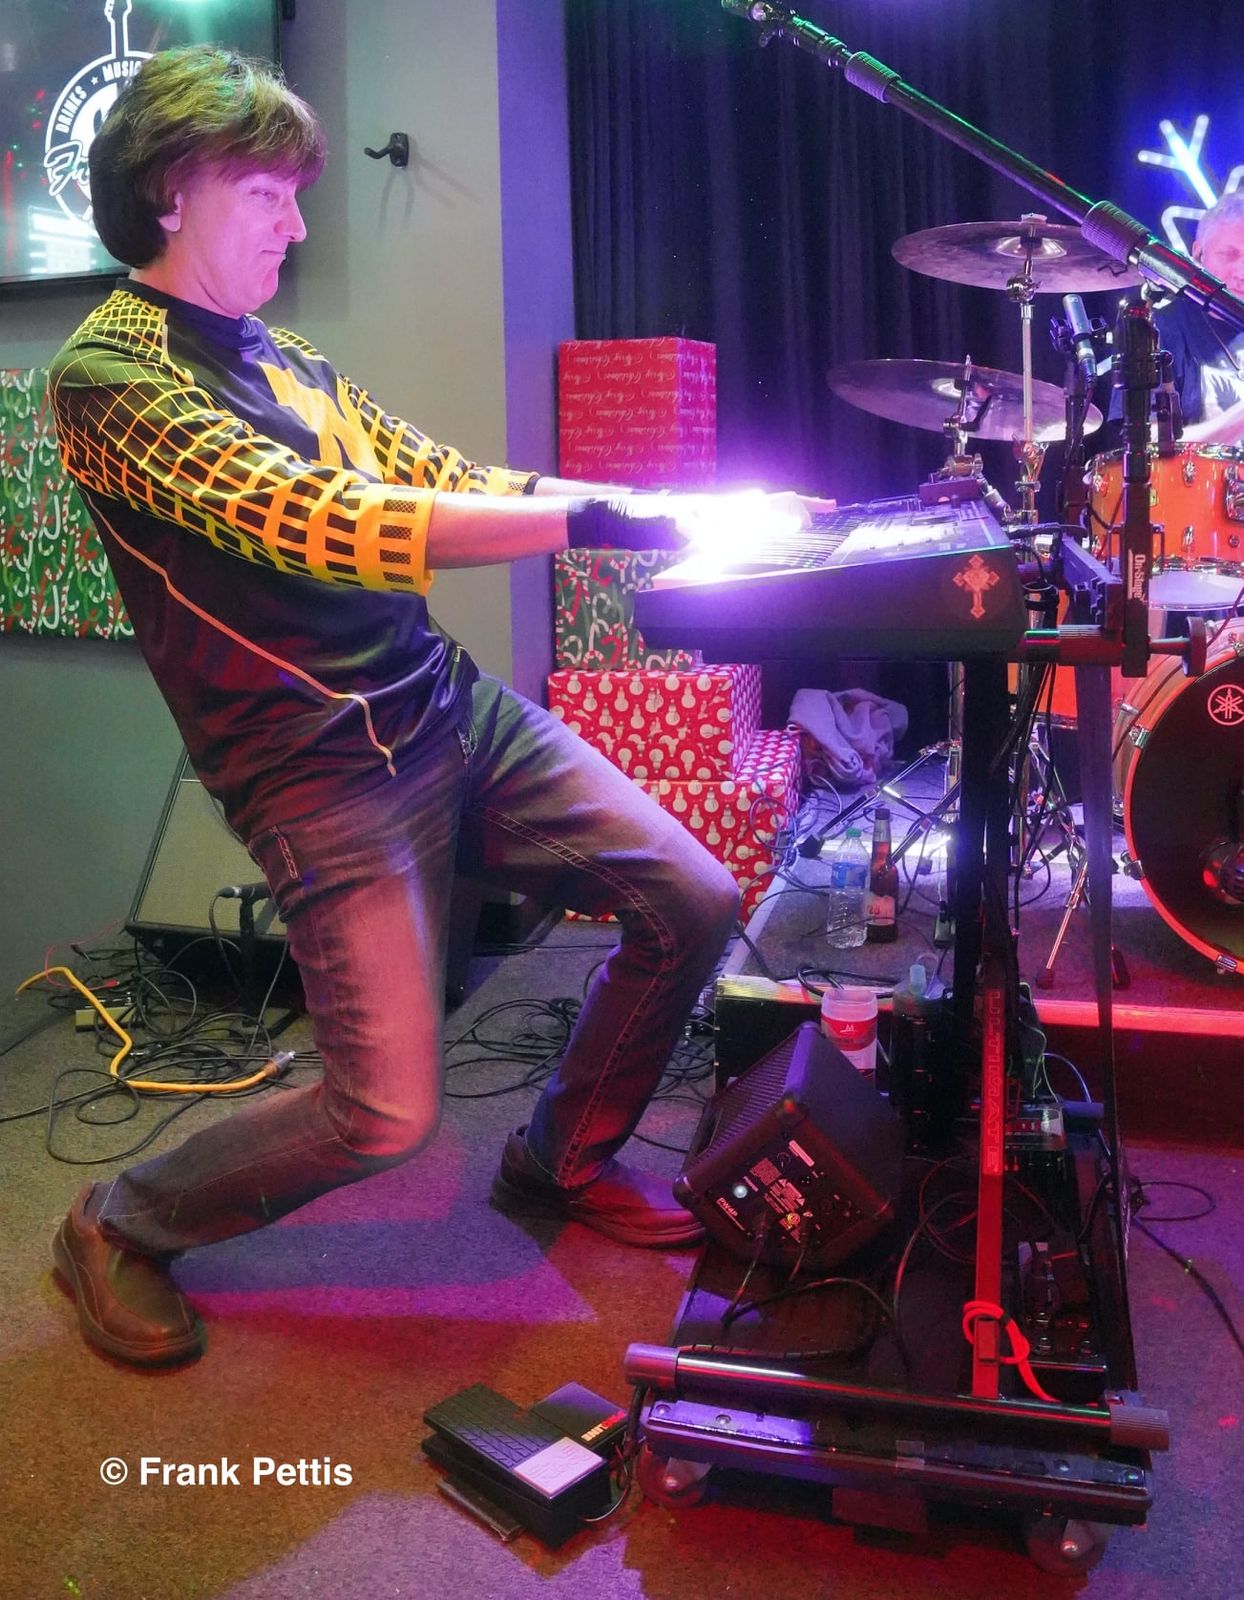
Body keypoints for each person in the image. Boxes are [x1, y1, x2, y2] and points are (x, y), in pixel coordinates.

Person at [45, 46, 805, 1368]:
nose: (295, 223)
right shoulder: (106, 378)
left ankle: (560, 1156)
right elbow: (322, 518)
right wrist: (596, 516)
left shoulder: (286, 358)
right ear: (170, 192)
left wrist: (647, 505)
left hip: (446, 709)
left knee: (689, 895)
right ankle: (117, 1220)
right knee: (383, 1115)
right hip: (315, 771)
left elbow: (439, 474)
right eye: (267, 193)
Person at [1153, 189, 1244, 445]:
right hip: (1198, 472)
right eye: (1229, 255)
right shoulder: (1161, 328)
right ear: (1198, 254)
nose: (1241, 271)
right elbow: (1147, 443)